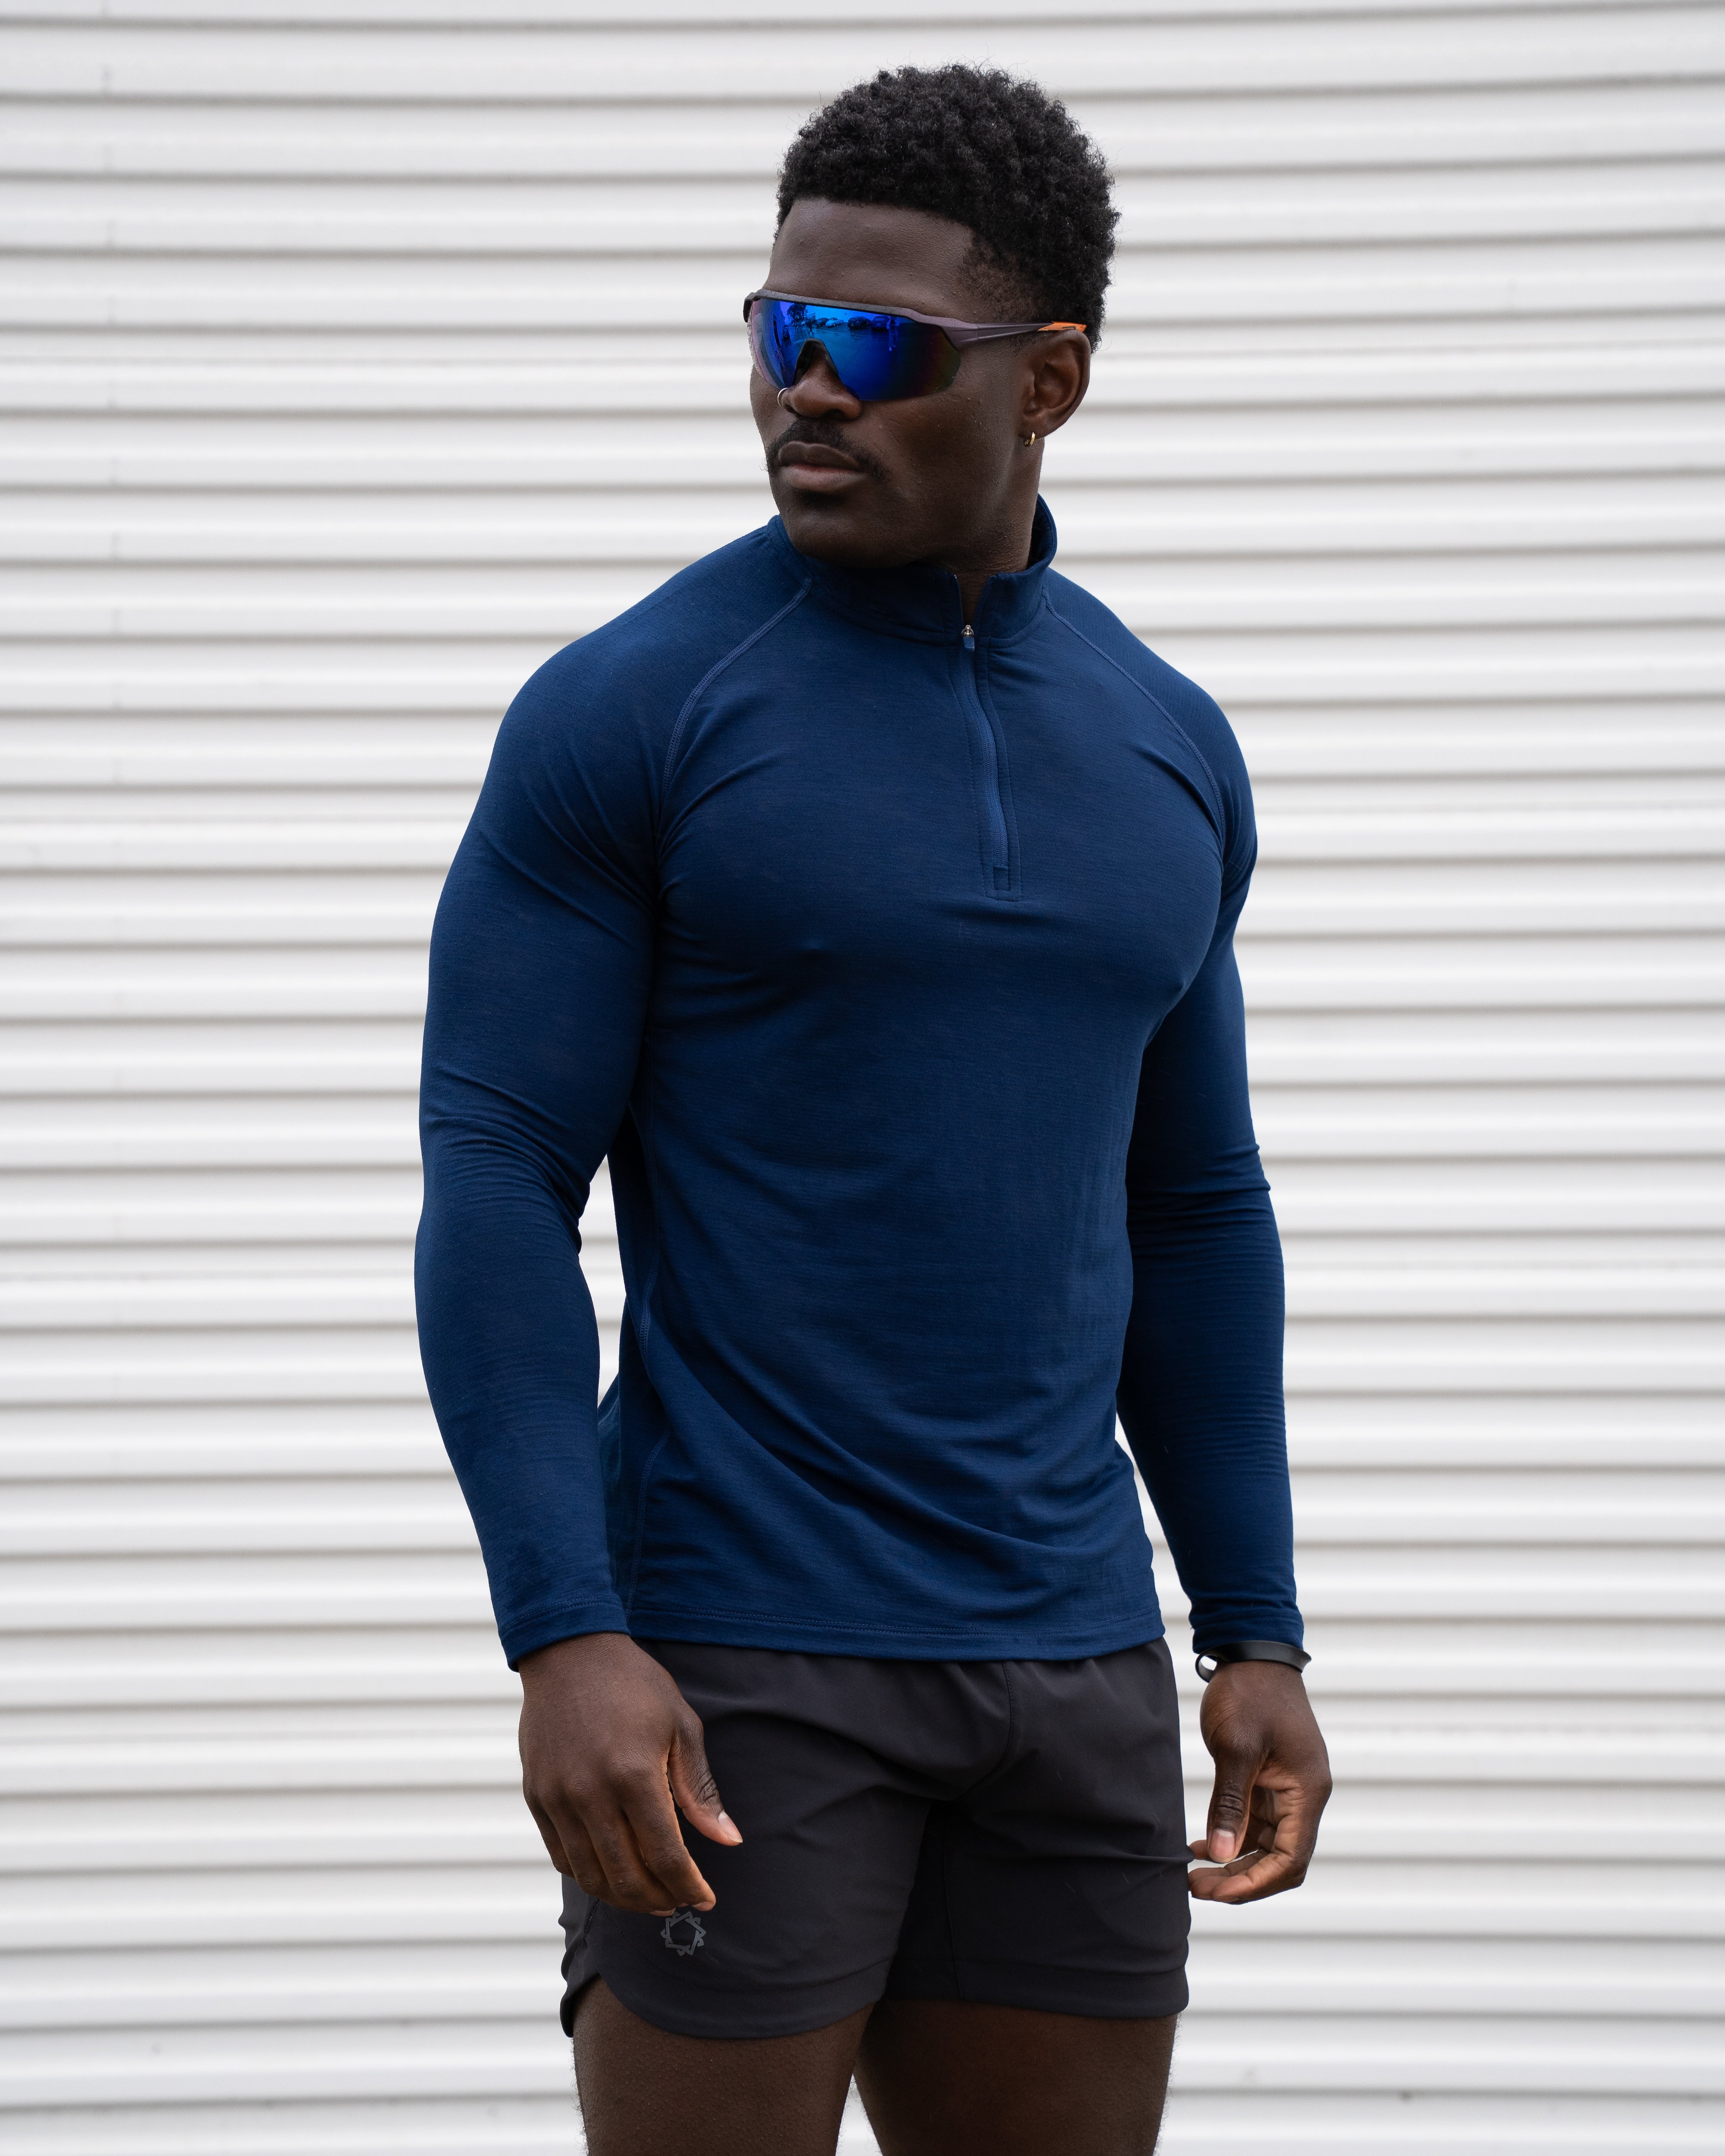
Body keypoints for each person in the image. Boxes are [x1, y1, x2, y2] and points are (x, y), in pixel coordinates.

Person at [417, 63, 1330, 2156]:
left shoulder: (1168, 744)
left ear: (1050, 377)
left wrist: (1253, 1622)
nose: (804, 390)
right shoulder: (632, 708)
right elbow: (496, 1173)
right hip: (739, 1662)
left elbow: (1194, 1202)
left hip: (1075, 1662)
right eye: (778, 329)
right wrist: (564, 1630)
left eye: (875, 345)